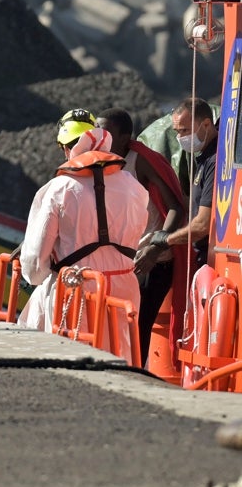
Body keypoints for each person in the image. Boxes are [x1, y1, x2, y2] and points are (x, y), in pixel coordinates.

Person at [17, 112, 148, 359]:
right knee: (121, 358)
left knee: (65, 357)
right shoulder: (133, 185)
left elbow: (34, 266)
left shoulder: (58, 188)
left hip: (75, 290)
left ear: (67, 149)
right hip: (124, 287)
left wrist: (37, 276)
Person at [96, 107, 187, 360]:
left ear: (125, 138)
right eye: (97, 131)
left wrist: (155, 247)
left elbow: (175, 207)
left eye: (106, 131)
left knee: (138, 325)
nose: (100, 136)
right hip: (121, 261)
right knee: (112, 323)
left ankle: (135, 378)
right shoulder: (98, 161)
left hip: (151, 262)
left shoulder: (141, 160)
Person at [134, 98, 217, 297]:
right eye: (177, 132)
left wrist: (164, 239)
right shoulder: (203, 158)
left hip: (210, 259)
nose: (180, 138)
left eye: (185, 131)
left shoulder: (215, 161)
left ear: (206, 124)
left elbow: (202, 225)